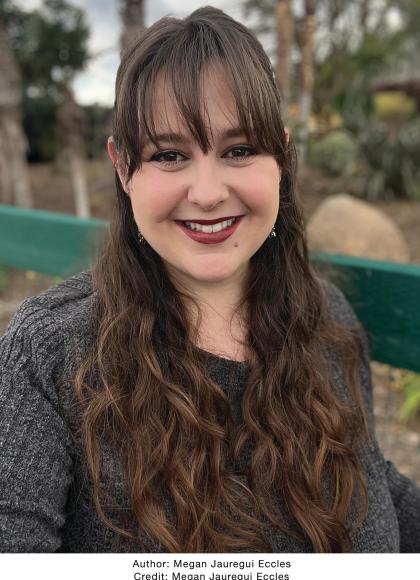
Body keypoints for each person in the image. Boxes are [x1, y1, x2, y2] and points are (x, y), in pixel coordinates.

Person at [1, 6, 419, 554]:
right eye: (169, 155)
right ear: (123, 167)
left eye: (239, 150)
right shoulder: (48, 355)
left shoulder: (327, 316)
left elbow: (371, 479)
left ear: (281, 158)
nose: (207, 193)